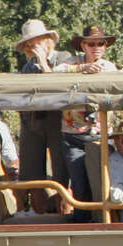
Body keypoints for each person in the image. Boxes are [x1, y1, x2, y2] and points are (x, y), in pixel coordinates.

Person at [14, 19, 73, 214]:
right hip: (33, 122)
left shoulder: (65, 58)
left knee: (61, 177)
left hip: (59, 122)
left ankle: (64, 220)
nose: (33, 48)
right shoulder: (27, 68)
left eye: (37, 42)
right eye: (29, 45)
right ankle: (38, 222)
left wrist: (44, 64)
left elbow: (62, 90)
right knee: (33, 178)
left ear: (47, 41)